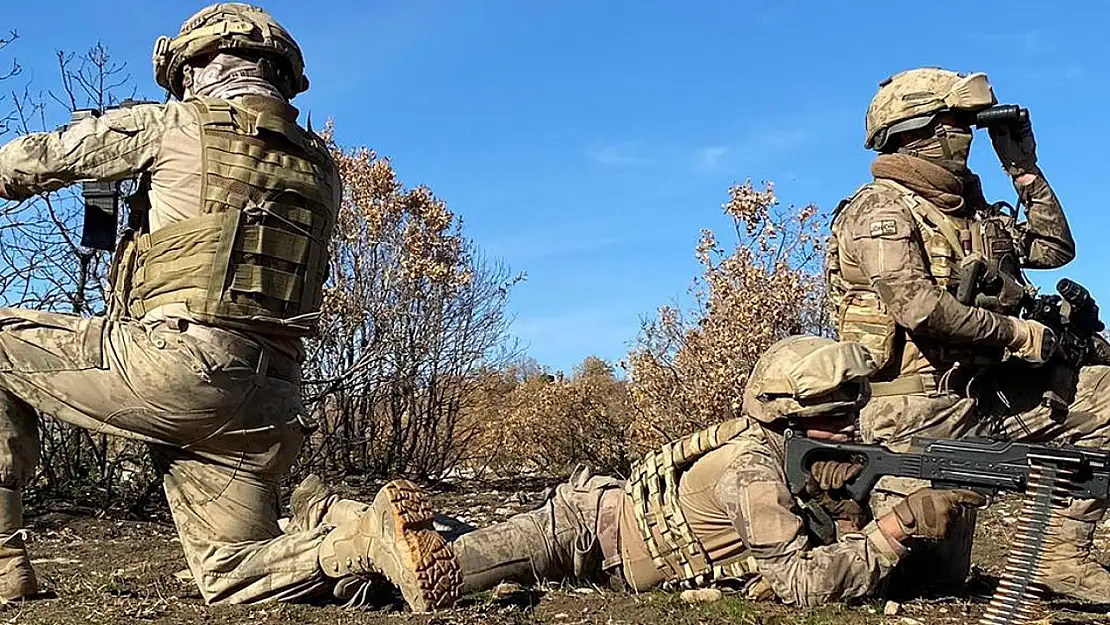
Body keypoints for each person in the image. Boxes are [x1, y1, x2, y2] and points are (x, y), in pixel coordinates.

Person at [0, 3, 460, 611]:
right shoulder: (322, 164)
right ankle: (358, 539)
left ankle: (4, 563)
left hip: (182, 367)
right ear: (279, 76)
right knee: (230, 573)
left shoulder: (173, 125)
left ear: (194, 67)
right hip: (269, 397)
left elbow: (21, 163)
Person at [290, 336, 986, 608]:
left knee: (446, 545)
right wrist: (893, 530)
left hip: (608, 542)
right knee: (426, 578)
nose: (851, 430)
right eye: (837, 417)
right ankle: (336, 527)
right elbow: (802, 583)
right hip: (582, 531)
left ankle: (336, 513)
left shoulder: (789, 455)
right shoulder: (755, 470)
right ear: (791, 418)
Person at [826, 66, 1110, 601]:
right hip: (917, 414)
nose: (967, 139)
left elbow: (1053, 248)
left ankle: (1057, 555)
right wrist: (1019, 337)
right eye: (960, 126)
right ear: (921, 131)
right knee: (924, 580)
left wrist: (1023, 169)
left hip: (988, 398)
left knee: (1104, 396)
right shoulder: (880, 209)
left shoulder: (973, 213)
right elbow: (918, 307)